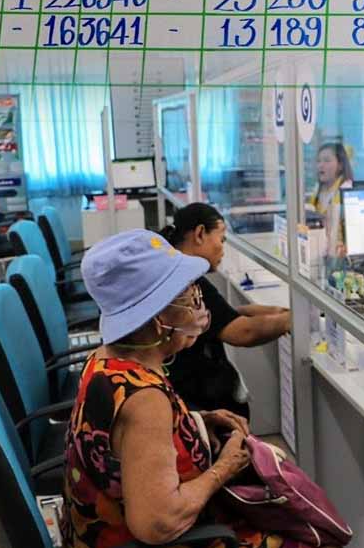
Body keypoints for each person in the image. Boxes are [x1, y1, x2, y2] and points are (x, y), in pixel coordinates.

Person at [62, 229, 289, 548]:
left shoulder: (105, 361)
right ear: (158, 319)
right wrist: (223, 468)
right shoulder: (145, 401)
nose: (198, 303)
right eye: (186, 295)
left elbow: (127, 441)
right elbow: (158, 524)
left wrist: (195, 421)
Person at [161, 203, 292, 420]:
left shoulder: (170, 267)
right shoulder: (189, 283)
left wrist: (266, 311)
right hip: (199, 404)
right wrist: (292, 319)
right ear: (200, 234)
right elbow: (243, 333)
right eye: (221, 239)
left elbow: (215, 317)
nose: (223, 248)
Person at [307, 142, 354, 256]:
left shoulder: (346, 191)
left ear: (340, 165)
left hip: (340, 256)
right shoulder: (319, 188)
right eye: (318, 161)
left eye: (327, 160)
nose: (320, 165)